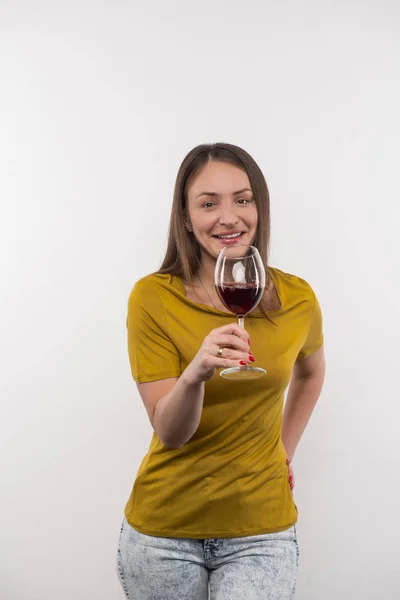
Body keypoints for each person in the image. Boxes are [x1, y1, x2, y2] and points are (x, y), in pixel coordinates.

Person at [116, 142, 326, 600]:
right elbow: (171, 433)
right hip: (164, 534)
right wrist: (195, 375)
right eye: (208, 204)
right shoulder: (151, 298)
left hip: (261, 530)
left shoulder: (299, 298)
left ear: (259, 208)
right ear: (186, 218)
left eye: (243, 199)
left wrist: (283, 451)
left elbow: (311, 374)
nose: (228, 217)